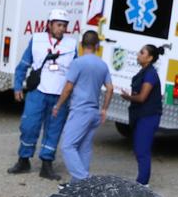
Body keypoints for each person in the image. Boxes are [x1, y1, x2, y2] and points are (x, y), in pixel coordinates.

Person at [8, 8, 76, 180]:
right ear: (50, 24)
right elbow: (23, 65)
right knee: (28, 126)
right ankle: (24, 160)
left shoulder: (72, 45)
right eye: (59, 25)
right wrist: (17, 87)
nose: (62, 28)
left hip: (60, 96)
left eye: (64, 25)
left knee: (53, 130)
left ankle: (47, 164)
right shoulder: (37, 40)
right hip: (37, 92)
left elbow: (76, 72)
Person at [55, 31, 113, 182]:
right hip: (94, 112)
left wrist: (58, 105)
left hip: (80, 110)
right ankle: (78, 189)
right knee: (84, 148)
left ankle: (85, 180)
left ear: (81, 45)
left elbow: (68, 87)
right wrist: (105, 109)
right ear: (97, 46)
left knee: (67, 146)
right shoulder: (102, 65)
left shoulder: (78, 63)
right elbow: (110, 88)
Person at [119, 44, 164, 186]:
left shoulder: (150, 74)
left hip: (148, 116)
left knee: (142, 150)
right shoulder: (144, 72)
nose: (138, 54)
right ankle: (142, 181)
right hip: (141, 115)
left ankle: (143, 183)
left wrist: (128, 97)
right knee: (139, 148)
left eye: (142, 52)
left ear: (150, 58)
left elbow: (142, 97)